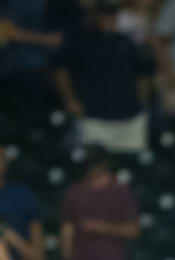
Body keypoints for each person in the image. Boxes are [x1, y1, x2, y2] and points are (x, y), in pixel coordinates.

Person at [55, 1, 154, 153]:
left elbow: (142, 74)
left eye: (112, 15)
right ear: (96, 17)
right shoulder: (80, 41)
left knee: (132, 164)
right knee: (95, 163)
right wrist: (70, 99)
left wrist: (143, 103)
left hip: (129, 116)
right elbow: (60, 69)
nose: (109, 19)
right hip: (93, 116)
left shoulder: (126, 42)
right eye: (105, 15)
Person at [60, 149, 140, 260]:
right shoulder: (74, 192)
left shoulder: (122, 193)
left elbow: (133, 230)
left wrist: (102, 227)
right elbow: (67, 227)